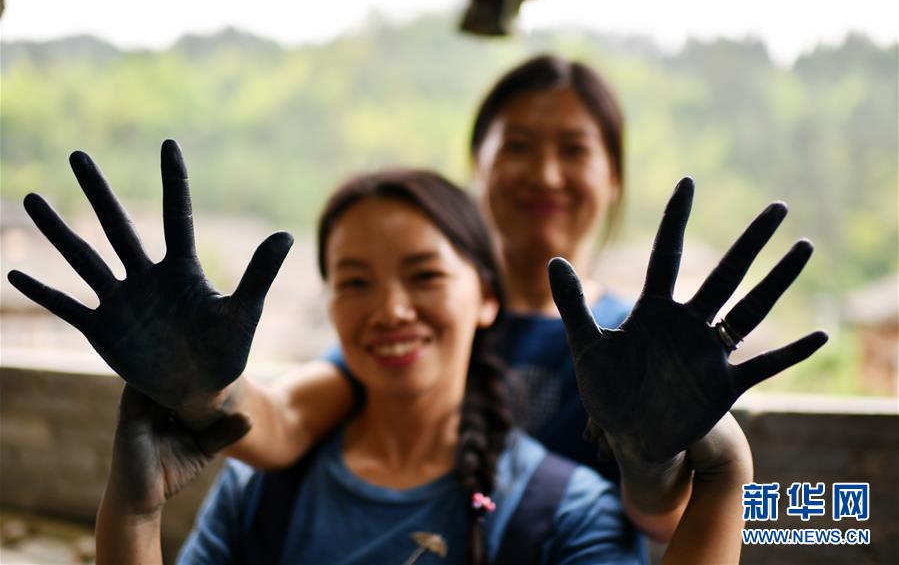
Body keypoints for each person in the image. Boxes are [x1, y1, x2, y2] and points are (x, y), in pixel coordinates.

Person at [9, 142, 825, 564]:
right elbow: (272, 414)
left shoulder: (562, 512)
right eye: (354, 281)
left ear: (486, 296)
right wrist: (133, 516)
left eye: (424, 275)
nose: (390, 309)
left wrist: (722, 473)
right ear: (327, 305)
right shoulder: (260, 496)